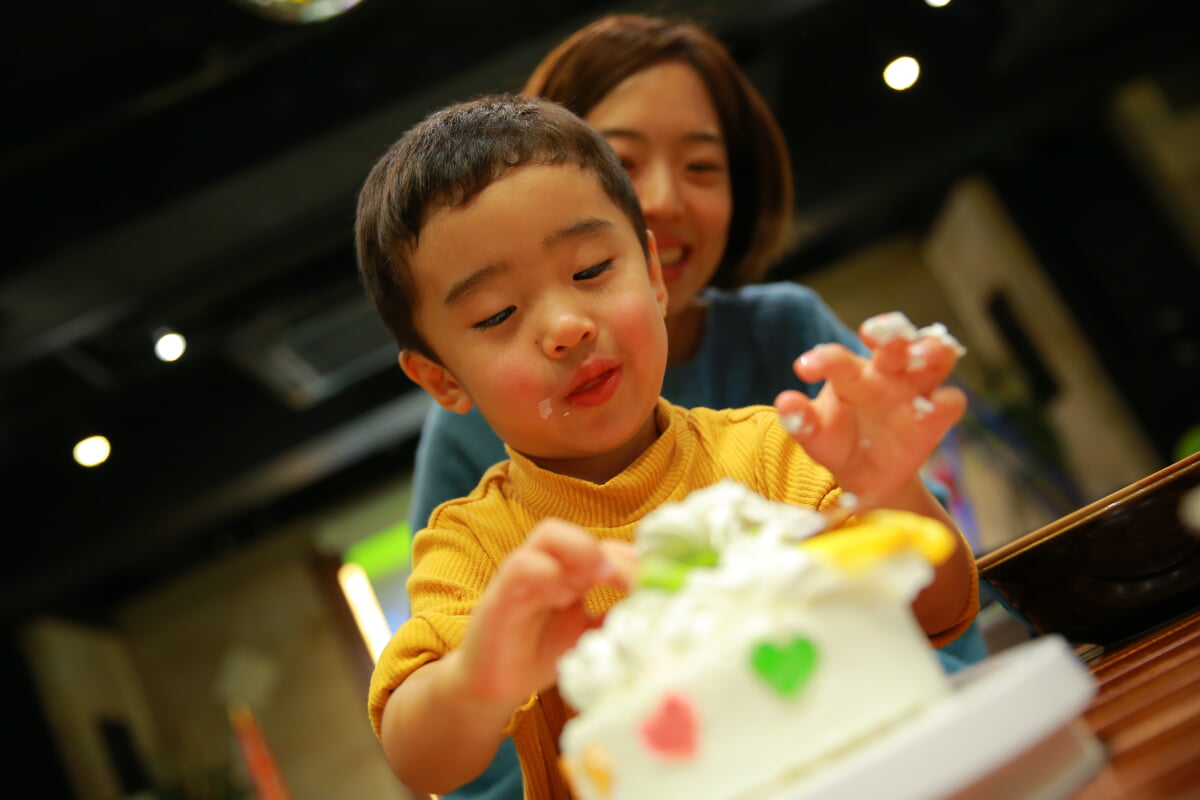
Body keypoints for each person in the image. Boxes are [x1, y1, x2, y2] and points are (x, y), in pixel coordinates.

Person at [407, 15, 987, 798]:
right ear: (445, 377)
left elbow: (930, 607)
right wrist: (487, 682)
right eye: (623, 158)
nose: (663, 199)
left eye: (703, 166)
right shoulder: (476, 527)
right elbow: (448, 756)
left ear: (643, 261)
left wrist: (895, 494)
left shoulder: (767, 432)